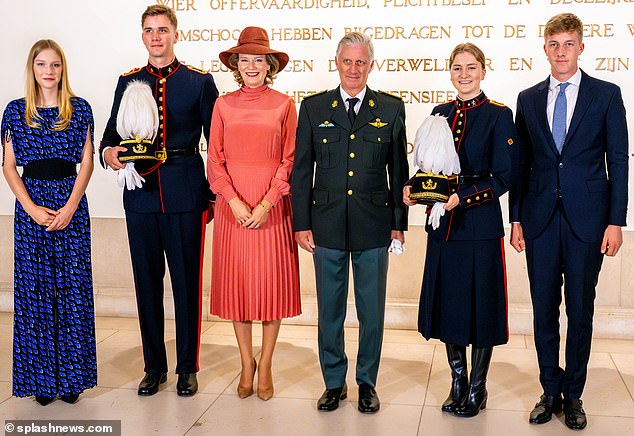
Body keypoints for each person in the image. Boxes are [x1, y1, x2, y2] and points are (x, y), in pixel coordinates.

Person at [510, 13, 628, 430]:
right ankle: (549, 390)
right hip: (539, 220)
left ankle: (574, 395)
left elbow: (617, 160)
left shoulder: (607, 95)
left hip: (588, 222)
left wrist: (617, 221)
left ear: (581, 47)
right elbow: (521, 164)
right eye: (554, 44)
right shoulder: (527, 98)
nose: (561, 51)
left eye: (568, 44)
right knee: (543, 310)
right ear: (545, 48)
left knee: (580, 312)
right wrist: (517, 217)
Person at [100, 5, 218, 397]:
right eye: (149, 30)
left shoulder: (199, 82)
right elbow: (108, 141)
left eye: (162, 30)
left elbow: (216, 147)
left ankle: (187, 367)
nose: (156, 37)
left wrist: (213, 196)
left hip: (186, 194)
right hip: (141, 199)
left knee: (186, 284)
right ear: (143, 35)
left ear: (175, 34)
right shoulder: (128, 81)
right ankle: (154, 367)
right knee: (146, 285)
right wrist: (109, 156)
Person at [292, 32, 409, 414]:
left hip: (374, 225)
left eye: (361, 62)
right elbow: (301, 171)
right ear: (337, 63)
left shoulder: (390, 108)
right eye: (347, 61)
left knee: (371, 311)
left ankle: (366, 382)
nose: (353, 68)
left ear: (370, 65)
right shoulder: (313, 108)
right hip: (324, 225)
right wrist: (300, 222)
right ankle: (333, 382)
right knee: (329, 310)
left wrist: (399, 223)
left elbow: (399, 170)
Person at [404, 43, 517, 418]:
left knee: (481, 307)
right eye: (457, 68)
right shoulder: (440, 113)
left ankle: (478, 388)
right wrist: (412, 189)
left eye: (471, 67)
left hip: (479, 226)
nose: (464, 74)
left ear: (484, 71)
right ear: (450, 72)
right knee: (450, 305)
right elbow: (430, 170)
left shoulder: (499, 116)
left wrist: (462, 197)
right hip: (444, 228)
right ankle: (457, 381)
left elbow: (504, 177)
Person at [207, 27, 301, 401]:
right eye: (243, 60)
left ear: (269, 65)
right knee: (240, 290)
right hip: (233, 208)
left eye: (257, 60)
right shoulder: (223, 105)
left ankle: (267, 365)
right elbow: (214, 159)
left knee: (271, 288)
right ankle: (246, 363)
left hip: (271, 208)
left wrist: (266, 203)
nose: (250, 66)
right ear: (236, 65)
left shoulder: (284, 104)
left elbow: (290, 159)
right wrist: (232, 201)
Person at [1, 39, 96, 406]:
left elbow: (86, 163)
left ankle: (73, 376)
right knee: (35, 293)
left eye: (55, 65)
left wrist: (71, 206)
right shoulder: (14, 112)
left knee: (72, 291)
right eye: (42, 64)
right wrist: (30, 208)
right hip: (31, 207)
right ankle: (41, 378)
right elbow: (9, 167)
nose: (49, 71)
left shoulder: (80, 109)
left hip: (71, 203)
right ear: (32, 68)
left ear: (63, 68)